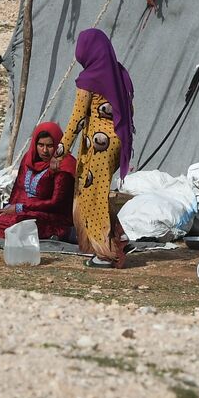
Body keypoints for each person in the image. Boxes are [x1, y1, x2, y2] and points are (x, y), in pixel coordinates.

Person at [63, 28, 134, 269]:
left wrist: (62, 149)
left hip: (98, 145)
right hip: (117, 141)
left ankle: (104, 253)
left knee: (92, 198)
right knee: (101, 194)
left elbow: (78, 119)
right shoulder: (119, 73)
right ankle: (119, 237)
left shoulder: (89, 79)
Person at [0, 122, 75, 240]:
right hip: (26, 212)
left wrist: (19, 208)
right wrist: (7, 209)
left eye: (50, 146)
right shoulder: (29, 158)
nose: (45, 150)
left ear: (57, 144)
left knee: (19, 225)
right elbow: (18, 191)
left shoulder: (63, 164)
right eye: (40, 145)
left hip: (54, 217)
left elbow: (55, 203)